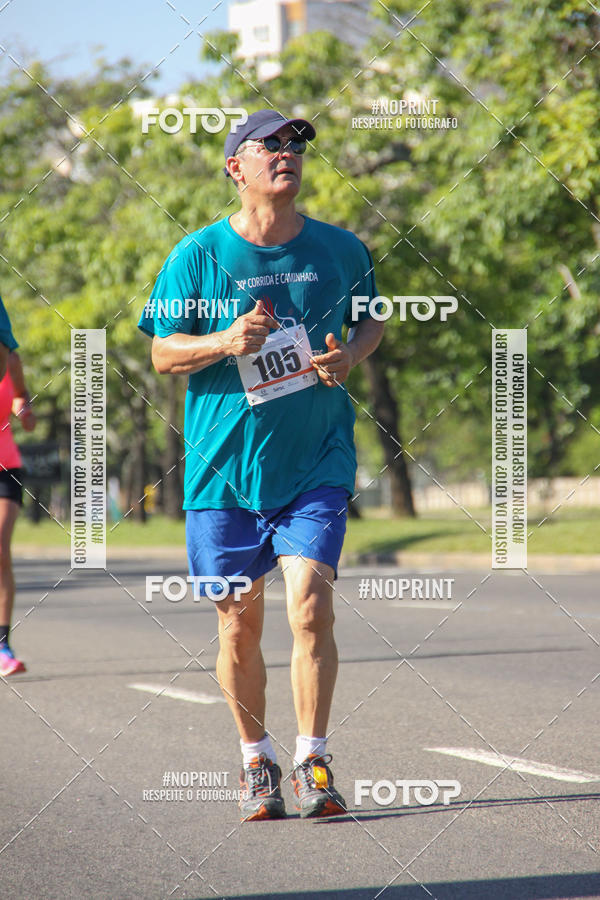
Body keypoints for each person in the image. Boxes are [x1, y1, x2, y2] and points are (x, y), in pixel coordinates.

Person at [139, 109, 384, 820]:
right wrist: (224, 340)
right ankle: (255, 762)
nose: (287, 154)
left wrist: (350, 356)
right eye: (269, 145)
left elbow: (372, 319)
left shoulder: (341, 249)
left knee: (310, 606)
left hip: (317, 460)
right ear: (234, 167)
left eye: (295, 145)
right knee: (237, 622)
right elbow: (161, 353)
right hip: (222, 471)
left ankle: (312, 759)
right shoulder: (198, 255)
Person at [0, 297, 36, 676]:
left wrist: (23, 410)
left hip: (5, 466)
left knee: (0, 549)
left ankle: (2, 645)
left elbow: (21, 398)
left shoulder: (9, 359)